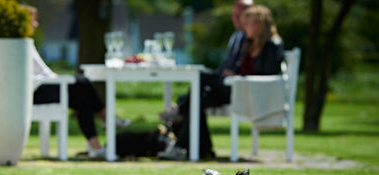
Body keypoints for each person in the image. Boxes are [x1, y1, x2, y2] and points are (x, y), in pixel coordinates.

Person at [159, 3, 284, 161]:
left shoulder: (273, 44)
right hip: (234, 88)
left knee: (200, 76)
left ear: (260, 24)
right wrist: (232, 74)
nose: (245, 27)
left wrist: (237, 77)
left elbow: (267, 74)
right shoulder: (248, 43)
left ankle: (179, 117)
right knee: (196, 100)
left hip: (248, 91)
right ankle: (204, 149)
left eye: (248, 23)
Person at [24, 5, 131, 160]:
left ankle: (96, 148)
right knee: (83, 82)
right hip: (33, 92)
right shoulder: (22, 44)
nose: (36, 25)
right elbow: (42, 73)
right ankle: (106, 118)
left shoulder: (27, 43)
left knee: (83, 101)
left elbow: (43, 72)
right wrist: (58, 79)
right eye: (33, 21)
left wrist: (56, 78)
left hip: (41, 87)